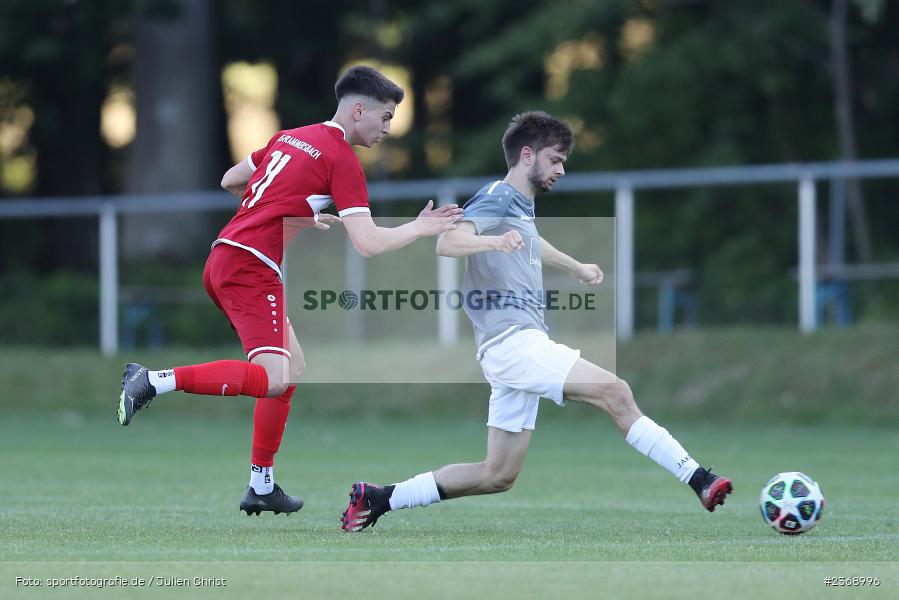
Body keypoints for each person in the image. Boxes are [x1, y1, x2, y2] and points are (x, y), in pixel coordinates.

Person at [340, 111, 732, 532]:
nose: (562, 169)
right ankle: (699, 479)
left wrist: (574, 266)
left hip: (510, 348)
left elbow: (531, 241)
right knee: (615, 392)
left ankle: (380, 498)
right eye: (556, 159)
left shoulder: (517, 203)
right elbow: (448, 243)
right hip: (515, 343)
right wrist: (494, 240)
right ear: (527, 155)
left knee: (497, 475)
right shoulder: (497, 195)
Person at [117, 65, 463, 516]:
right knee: (274, 377)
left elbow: (231, 181)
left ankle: (261, 484)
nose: (388, 127)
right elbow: (369, 243)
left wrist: (295, 213)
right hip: (249, 266)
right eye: (385, 116)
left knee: (291, 368)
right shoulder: (341, 158)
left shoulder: (290, 137)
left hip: (228, 255)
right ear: (358, 110)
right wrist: (419, 228)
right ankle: (153, 381)